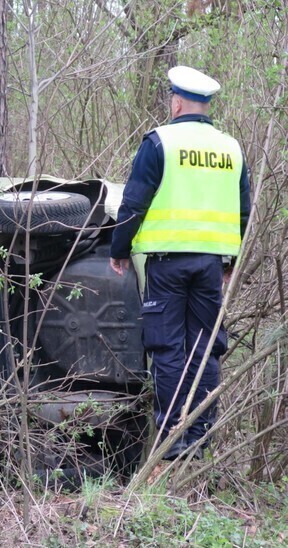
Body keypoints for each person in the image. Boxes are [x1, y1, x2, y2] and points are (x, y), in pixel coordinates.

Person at [110, 66, 250, 460]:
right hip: (210, 265)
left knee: (168, 349)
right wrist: (230, 259)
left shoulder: (160, 142)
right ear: (206, 106)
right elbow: (244, 213)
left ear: (176, 101)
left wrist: (119, 248)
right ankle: (200, 441)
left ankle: (172, 442)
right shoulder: (231, 147)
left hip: (167, 263)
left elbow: (134, 202)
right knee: (205, 348)